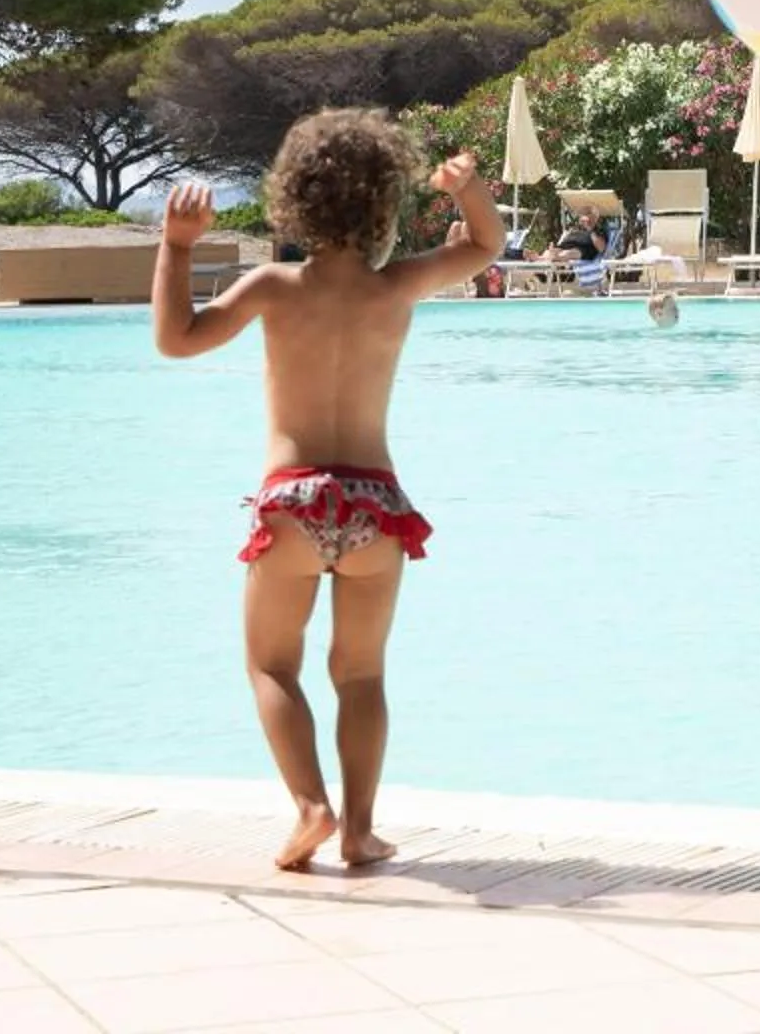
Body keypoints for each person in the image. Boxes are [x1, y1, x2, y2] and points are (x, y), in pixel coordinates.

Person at [152, 109, 500, 872]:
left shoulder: (272, 287)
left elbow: (176, 340)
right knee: (362, 674)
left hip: (295, 504)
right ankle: (360, 831)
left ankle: (311, 808)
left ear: (291, 200)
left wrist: (176, 248)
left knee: (273, 667)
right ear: (385, 203)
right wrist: (467, 190)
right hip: (376, 508)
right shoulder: (398, 286)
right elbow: (484, 247)